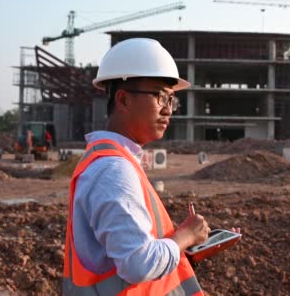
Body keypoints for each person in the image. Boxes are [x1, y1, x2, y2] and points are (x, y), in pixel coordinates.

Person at [63, 38, 235, 295]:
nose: (169, 110)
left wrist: (180, 243)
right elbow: (137, 264)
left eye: (172, 100)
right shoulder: (114, 169)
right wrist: (185, 237)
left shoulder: (112, 161)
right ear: (123, 100)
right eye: (160, 96)